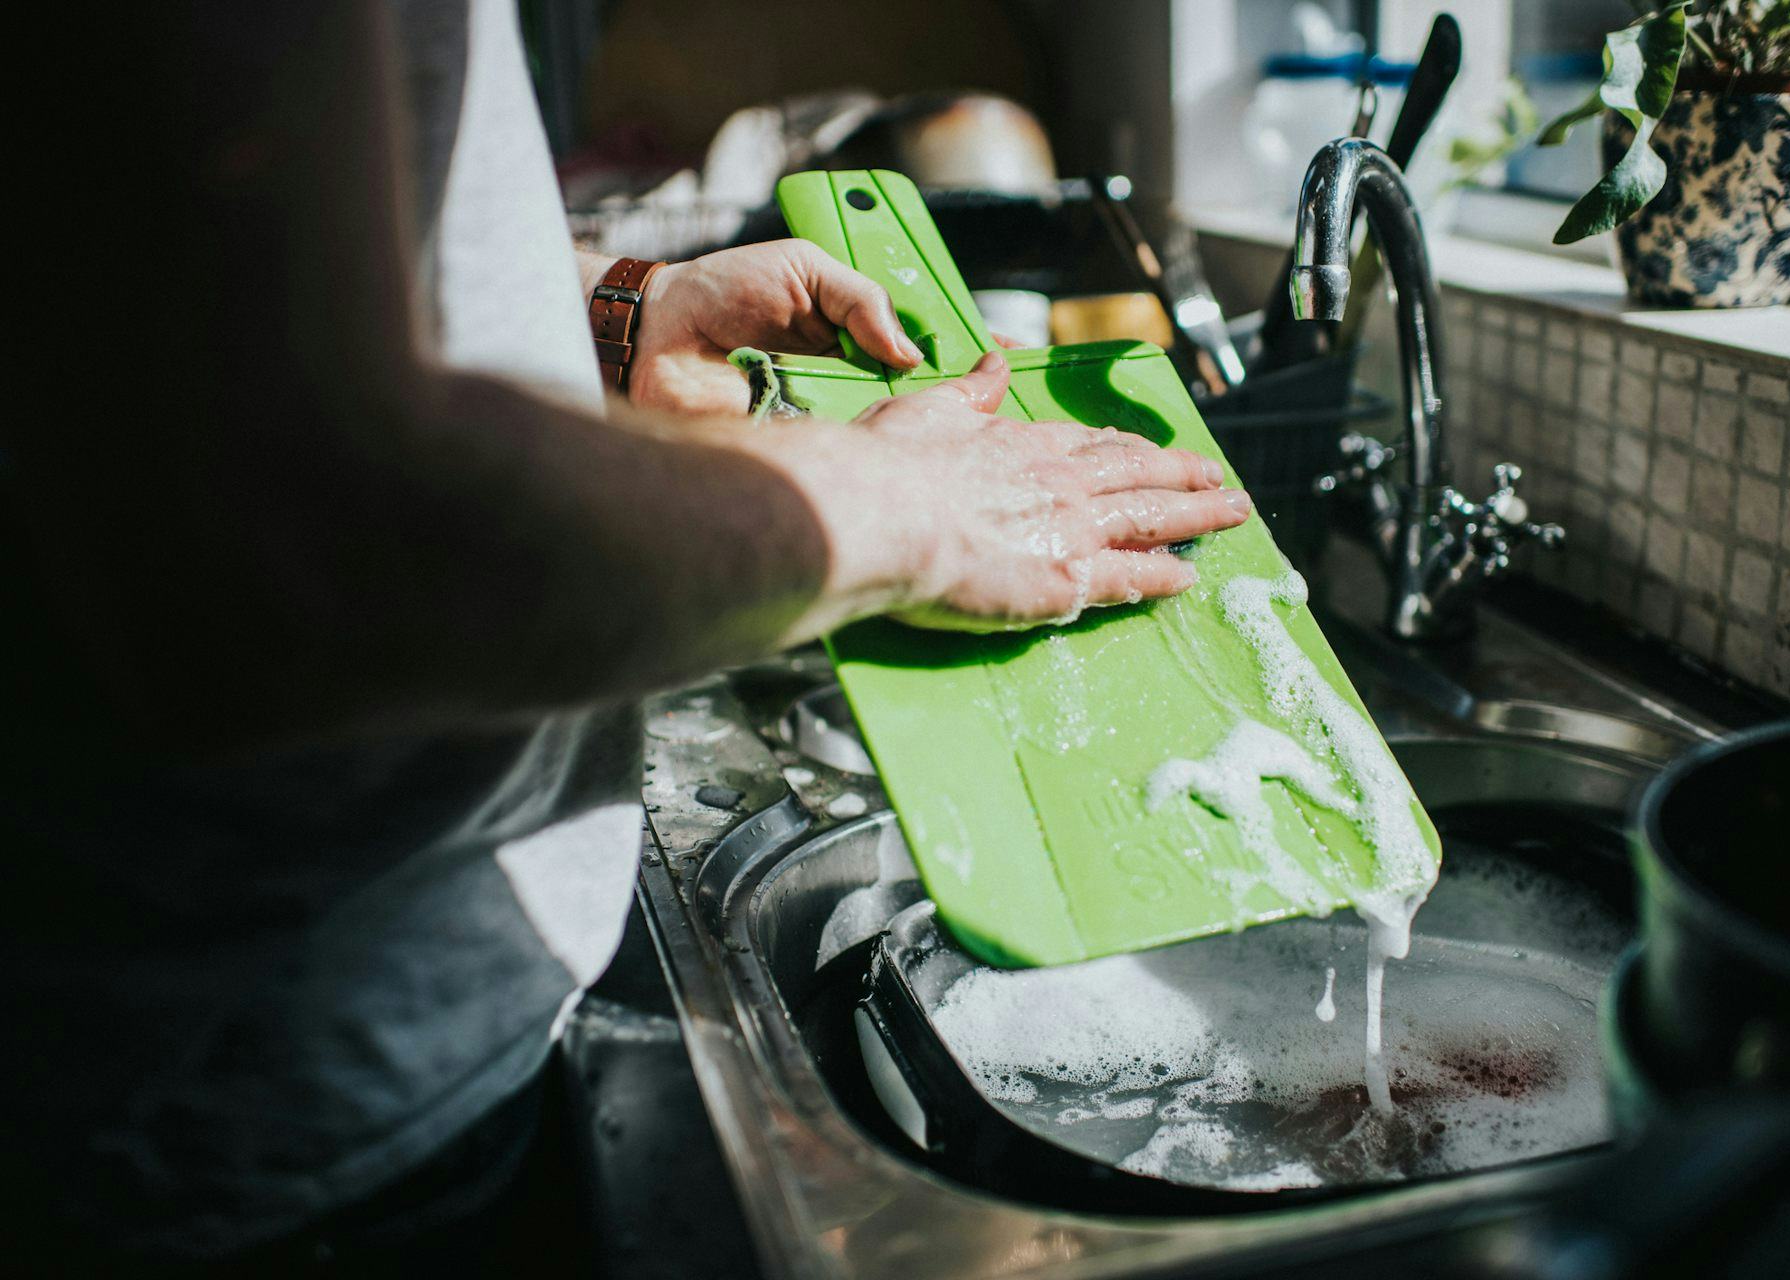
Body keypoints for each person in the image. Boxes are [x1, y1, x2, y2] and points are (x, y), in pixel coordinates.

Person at [0, 0, 1247, 1264]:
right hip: (241, 1129)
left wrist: (608, 313)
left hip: (340, 1048)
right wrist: (903, 512)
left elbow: (190, 301)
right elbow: (283, 527)